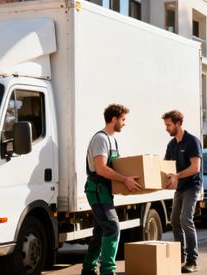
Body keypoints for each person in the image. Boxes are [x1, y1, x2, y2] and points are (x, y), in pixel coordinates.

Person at [82, 104, 143, 275]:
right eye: (123, 120)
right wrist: (124, 179)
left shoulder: (112, 139)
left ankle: (88, 269)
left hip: (105, 191)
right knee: (112, 227)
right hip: (97, 191)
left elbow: (115, 167)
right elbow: (101, 168)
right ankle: (108, 270)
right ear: (114, 119)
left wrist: (128, 181)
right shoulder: (100, 139)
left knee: (100, 230)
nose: (124, 123)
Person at [162, 110, 202, 273]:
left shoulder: (192, 141)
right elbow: (166, 166)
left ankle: (193, 261)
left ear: (178, 123)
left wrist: (177, 175)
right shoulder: (172, 145)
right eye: (165, 125)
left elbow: (195, 168)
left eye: (169, 125)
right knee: (174, 221)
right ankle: (179, 257)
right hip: (179, 188)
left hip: (192, 186)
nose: (166, 128)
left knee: (186, 219)